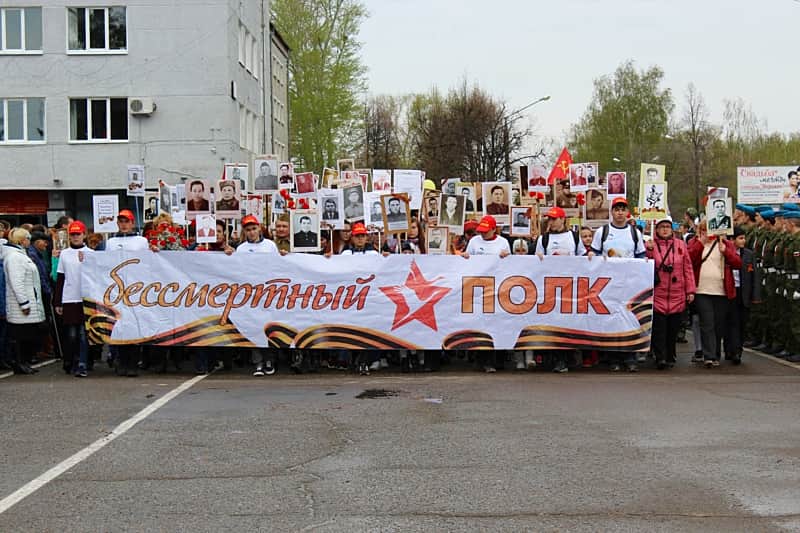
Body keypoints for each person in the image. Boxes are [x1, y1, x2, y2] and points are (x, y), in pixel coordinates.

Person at [590, 197, 646, 372]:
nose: (620, 212)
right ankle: (613, 357)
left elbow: (641, 255)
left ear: (626, 211)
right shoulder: (602, 232)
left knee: (629, 319)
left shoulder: (634, 233)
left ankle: (630, 357)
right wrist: (593, 256)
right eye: (617, 209)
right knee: (611, 319)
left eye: (623, 209)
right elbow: (594, 252)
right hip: (608, 283)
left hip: (629, 283)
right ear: (612, 212)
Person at [229, 215, 280, 376]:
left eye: (254, 228)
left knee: (268, 327)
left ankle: (269, 360)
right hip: (250, 293)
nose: (251, 232)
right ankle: (257, 362)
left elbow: (279, 265)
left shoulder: (270, 245)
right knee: (254, 327)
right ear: (245, 231)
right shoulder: (242, 248)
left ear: (259, 228)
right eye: (248, 229)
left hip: (267, 292)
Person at [688, 221, 742, 368]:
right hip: (702, 289)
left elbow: (738, 263)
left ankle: (716, 353)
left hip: (721, 290)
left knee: (719, 324)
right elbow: (689, 259)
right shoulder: (695, 242)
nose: (708, 233)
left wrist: (726, 252)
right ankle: (709, 355)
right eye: (705, 230)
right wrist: (701, 243)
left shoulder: (725, 244)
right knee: (707, 322)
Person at [645, 216, 696, 370]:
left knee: (673, 328)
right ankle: (659, 356)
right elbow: (646, 265)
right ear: (657, 229)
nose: (665, 229)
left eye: (667, 226)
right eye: (662, 227)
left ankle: (670, 354)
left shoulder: (680, 245)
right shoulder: (651, 245)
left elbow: (687, 268)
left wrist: (690, 290)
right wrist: (649, 250)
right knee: (659, 328)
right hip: (658, 293)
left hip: (676, 293)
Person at [463, 215, 509, 373]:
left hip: (497, 289)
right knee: (480, 324)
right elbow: (466, 259)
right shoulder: (474, 242)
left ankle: (496, 360)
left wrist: (506, 257)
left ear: (494, 229)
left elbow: (510, 264)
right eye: (481, 231)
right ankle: (481, 360)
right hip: (478, 289)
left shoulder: (503, 242)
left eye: (486, 231)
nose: (482, 234)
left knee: (496, 324)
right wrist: (465, 257)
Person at [106, 210, 149, 375]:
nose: (123, 224)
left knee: (134, 326)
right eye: (121, 221)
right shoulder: (111, 242)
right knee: (119, 326)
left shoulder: (141, 241)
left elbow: (147, 262)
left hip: (135, 290)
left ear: (132, 223)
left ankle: (132, 364)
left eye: (126, 221)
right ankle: (121, 362)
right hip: (116, 290)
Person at [54, 221, 92, 377]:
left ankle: (82, 364)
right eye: (73, 234)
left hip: (85, 298)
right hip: (69, 298)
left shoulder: (91, 252)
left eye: (78, 234)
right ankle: (72, 361)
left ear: (84, 235)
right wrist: (57, 301)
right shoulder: (65, 254)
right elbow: (61, 278)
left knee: (83, 334)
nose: (75, 237)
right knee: (71, 335)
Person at [723, 225, 760, 364]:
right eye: (740, 238)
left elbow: (754, 275)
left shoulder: (749, 254)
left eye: (744, 238)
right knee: (732, 322)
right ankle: (732, 351)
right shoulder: (725, 252)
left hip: (743, 293)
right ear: (732, 239)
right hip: (730, 291)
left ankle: (738, 349)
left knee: (742, 322)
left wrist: (755, 296)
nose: (743, 241)